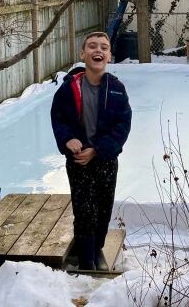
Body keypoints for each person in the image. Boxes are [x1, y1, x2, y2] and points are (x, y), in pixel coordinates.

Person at [50, 31, 132, 271]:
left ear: (109, 56)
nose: (98, 50)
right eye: (92, 46)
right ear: (82, 54)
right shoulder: (68, 88)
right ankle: (86, 258)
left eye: (104, 47)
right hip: (78, 162)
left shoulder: (116, 89)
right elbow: (58, 119)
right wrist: (68, 139)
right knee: (84, 210)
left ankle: (97, 249)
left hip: (105, 159)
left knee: (104, 208)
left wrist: (97, 150)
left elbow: (122, 125)